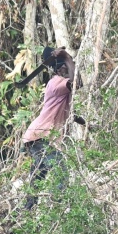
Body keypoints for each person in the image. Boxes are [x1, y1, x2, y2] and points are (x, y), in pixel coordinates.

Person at [20, 46, 76, 203]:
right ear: (60, 69)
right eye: (66, 68)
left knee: (38, 178)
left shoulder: (61, 88)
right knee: (61, 170)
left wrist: (82, 121)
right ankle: (58, 207)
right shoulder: (57, 83)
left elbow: (65, 110)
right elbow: (77, 82)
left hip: (36, 137)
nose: (69, 71)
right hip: (39, 136)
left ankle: (26, 214)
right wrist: (66, 56)